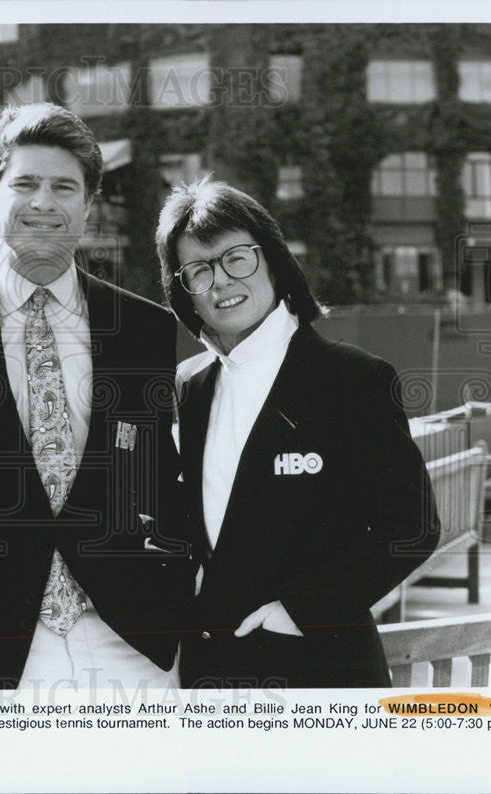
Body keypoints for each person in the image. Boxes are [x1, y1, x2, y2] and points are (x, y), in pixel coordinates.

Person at [0, 103, 194, 689]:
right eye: (25, 183)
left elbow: (160, 476)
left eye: (64, 187)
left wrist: (174, 587)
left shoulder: (144, 328)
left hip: (131, 642)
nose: (44, 203)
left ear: (88, 202)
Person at [158, 177, 440, 688]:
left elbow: (411, 526)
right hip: (212, 675)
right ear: (184, 291)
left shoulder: (353, 378)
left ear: (272, 259)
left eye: (235, 257)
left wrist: (297, 610)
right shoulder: (190, 384)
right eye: (198, 270)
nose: (220, 281)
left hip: (320, 667)